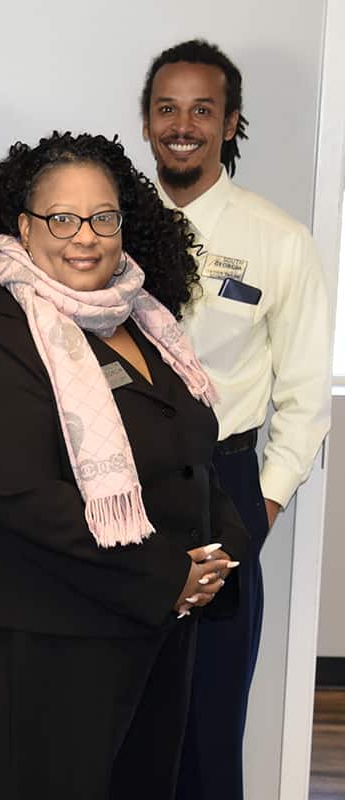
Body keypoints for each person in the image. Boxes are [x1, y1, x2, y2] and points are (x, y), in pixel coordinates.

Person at [0, 132, 249, 800]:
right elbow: (15, 492)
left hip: (150, 616)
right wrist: (168, 572)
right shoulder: (2, 334)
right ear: (23, 226)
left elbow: (191, 450)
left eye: (104, 217)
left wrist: (218, 555)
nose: (86, 237)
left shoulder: (142, 318)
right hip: (44, 627)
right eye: (62, 219)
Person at [138, 40, 333, 800]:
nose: (182, 124)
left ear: (231, 123)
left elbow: (305, 397)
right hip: (115, 491)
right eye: (166, 108)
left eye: (202, 109)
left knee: (208, 716)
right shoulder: (100, 229)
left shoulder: (280, 241)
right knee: (119, 709)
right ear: (148, 122)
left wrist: (262, 507)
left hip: (224, 486)